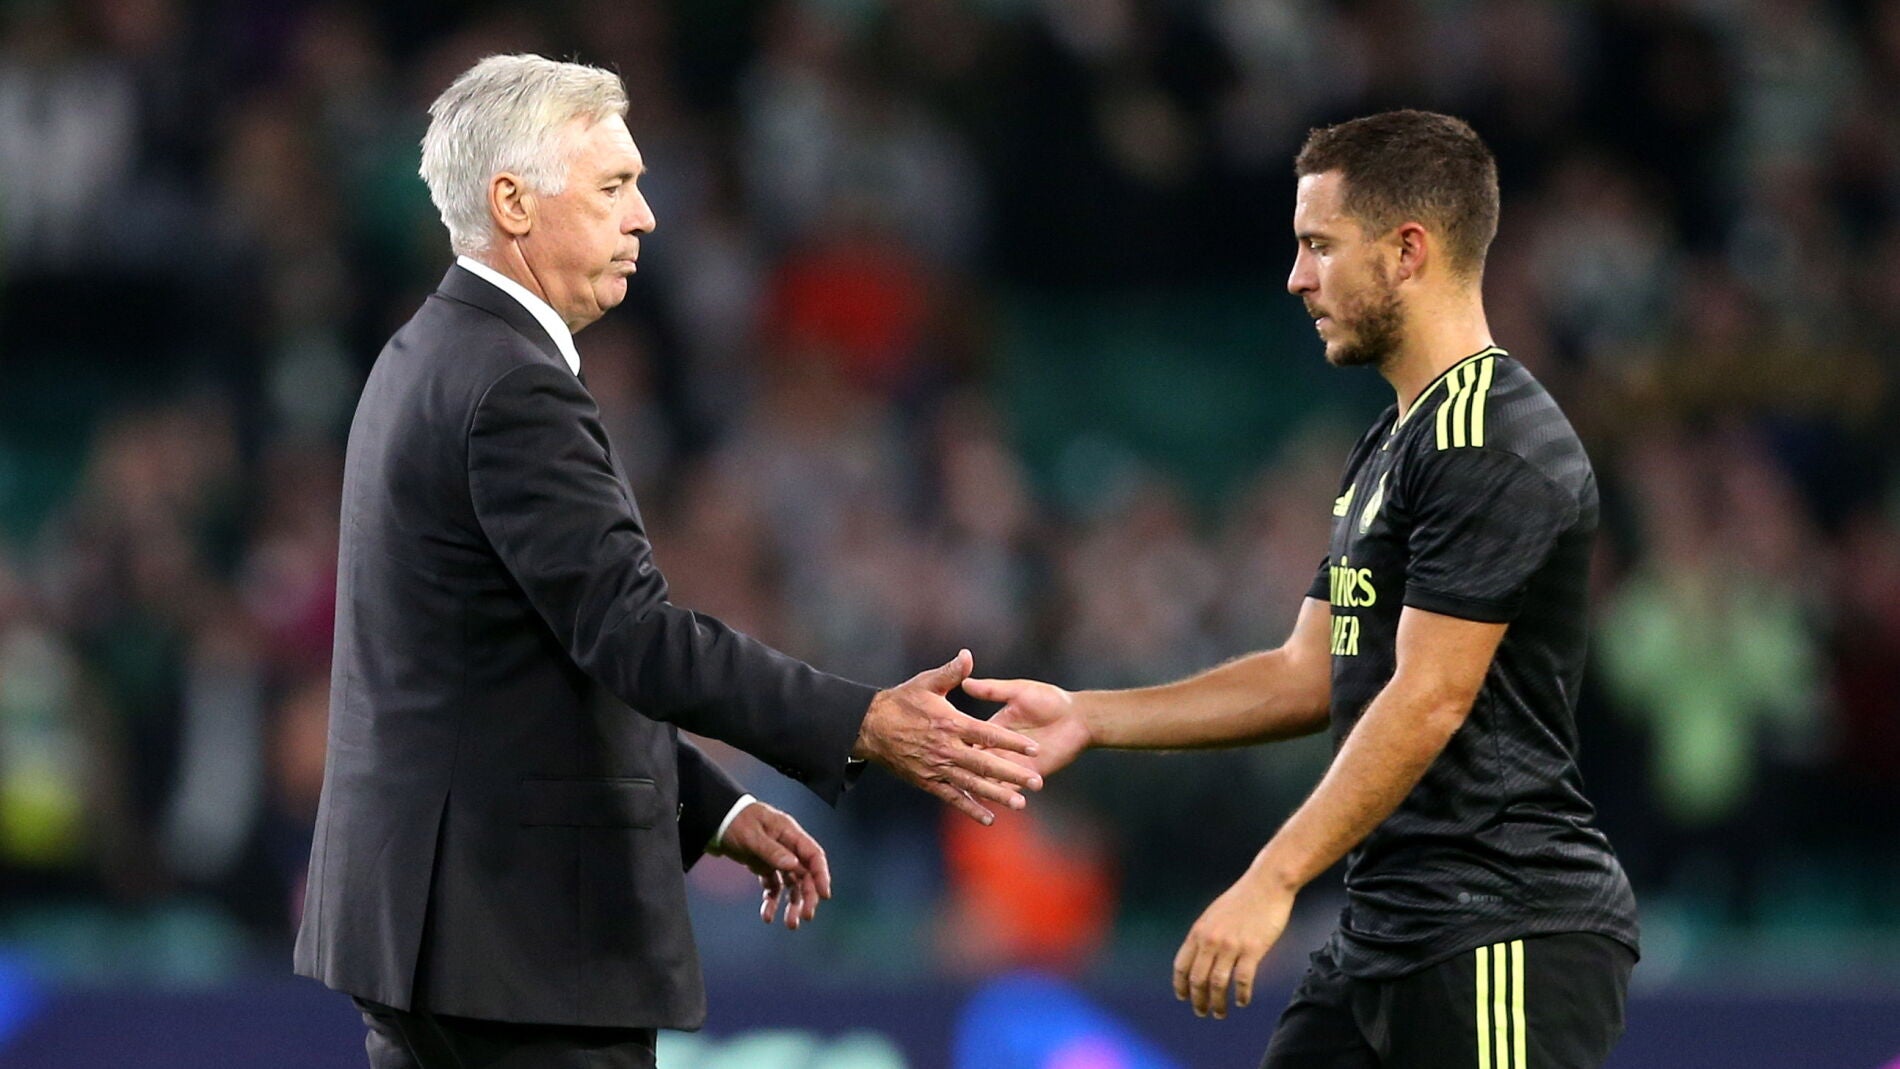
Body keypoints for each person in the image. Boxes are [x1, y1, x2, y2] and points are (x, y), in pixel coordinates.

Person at [292, 54, 1041, 1069]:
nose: (644, 217)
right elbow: (630, 634)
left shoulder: (426, 354)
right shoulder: (511, 387)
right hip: (517, 951)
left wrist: (711, 805)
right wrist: (860, 719)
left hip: (448, 937)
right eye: (612, 187)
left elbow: (529, 662)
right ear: (512, 203)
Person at [966, 111, 1639, 1069]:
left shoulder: (1489, 441)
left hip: (1500, 928)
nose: (1296, 277)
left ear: (1408, 251)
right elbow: (1307, 672)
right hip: (1388, 930)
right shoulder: (1392, 443)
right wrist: (1091, 714)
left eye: (1320, 245)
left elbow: (1431, 693)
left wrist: (1273, 877)